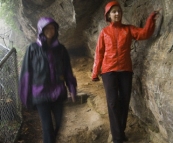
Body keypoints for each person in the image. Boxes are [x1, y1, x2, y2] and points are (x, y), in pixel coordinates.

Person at [91, 1, 160, 143]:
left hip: (125, 71)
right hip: (108, 71)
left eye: (119, 11)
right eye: (114, 11)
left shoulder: (128, 29)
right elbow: (99, 53)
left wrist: (150, 20)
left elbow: (144, 34)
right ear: (108, 15)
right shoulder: (104, 32)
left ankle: (120, 132)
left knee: (124, 101)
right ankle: (117, 138)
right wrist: (95, 72)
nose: (117, 13)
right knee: (112, 103)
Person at [19, 17, 77, 143]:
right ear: (41, 30)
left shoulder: (61, 49)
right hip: (40, 93)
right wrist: (25, 96)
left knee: (59, 123)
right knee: (47, 127)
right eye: (47, 28)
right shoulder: (32, 49)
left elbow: (67, 70)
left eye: (53, 27)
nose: (50, 30)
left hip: (58, 92)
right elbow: (26, 73)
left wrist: (72, 88)